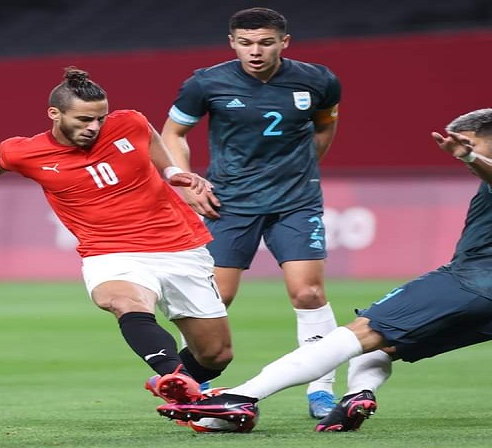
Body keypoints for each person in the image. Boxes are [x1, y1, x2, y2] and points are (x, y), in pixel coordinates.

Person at [155, 108, 492, 432]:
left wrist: (471, 159)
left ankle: (240, 397)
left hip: (468, 282)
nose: (465, 150)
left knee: (356, 332)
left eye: (471, 143)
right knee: (385, 345)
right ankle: (356, 397)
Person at [0, 67, 234, 407]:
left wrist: (172, 171)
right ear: (54, 113)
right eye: (84, 119)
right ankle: (173, 377)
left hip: (179, 246)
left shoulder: (128, 122)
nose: (94, 127)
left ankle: (176, 382)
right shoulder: (28, 151)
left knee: (216, 354)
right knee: (125, 302)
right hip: (110, 253)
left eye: (100, 119)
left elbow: (146, 132)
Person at [160, 7, 342, 419]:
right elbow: (173, 133)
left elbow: (325, 124)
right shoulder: (206, 83)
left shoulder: (318, 80)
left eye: (264, 43)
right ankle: (196, 385)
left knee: (309, 294)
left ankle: (321, 389)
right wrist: (186, 185)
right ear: (232, 43)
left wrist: (303, 169)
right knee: (215, 299)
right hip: (229, 204)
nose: (254, 51)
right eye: (245, 43)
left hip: (296, 202)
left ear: (284, 42)